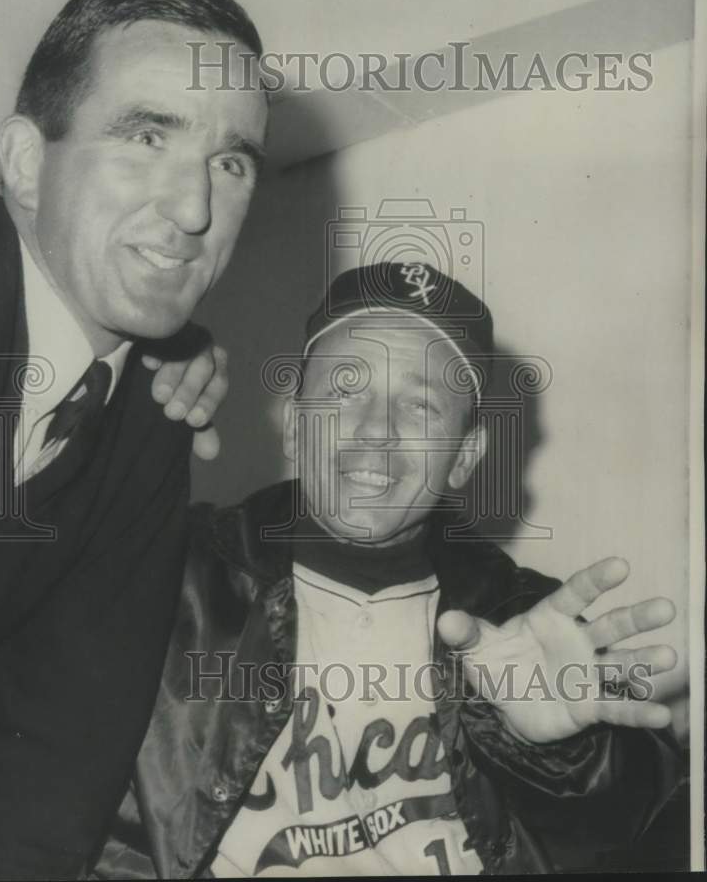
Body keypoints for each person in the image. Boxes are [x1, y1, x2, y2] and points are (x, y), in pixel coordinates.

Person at [94, 261, 684, 878]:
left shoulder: (523, 619)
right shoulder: (168, 575)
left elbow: (645, 827)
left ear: (465, 456)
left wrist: (558, 751)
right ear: (296, 425)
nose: (377, 431)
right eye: (347, 391)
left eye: (421, 408)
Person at [0, 0, 268, 880]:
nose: (195, 210)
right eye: (147, 135)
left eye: (230, 162)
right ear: (26, 163)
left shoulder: (149, 418)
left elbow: (53, 766)